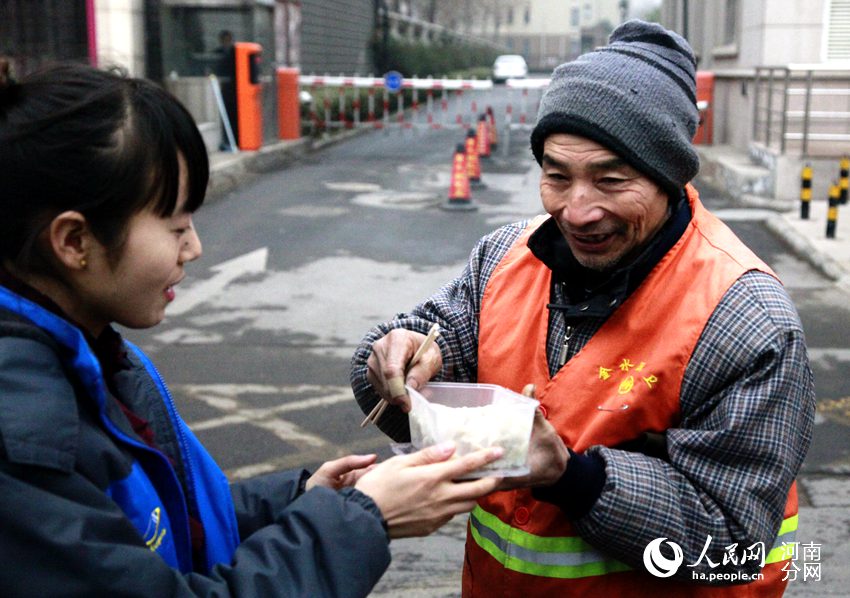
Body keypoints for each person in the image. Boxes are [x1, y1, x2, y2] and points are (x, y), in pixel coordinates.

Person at [0, 63, 504, 597]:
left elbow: (164, 528)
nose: (194, 248)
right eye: (175, 226)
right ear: (74, 241)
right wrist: (363, 519)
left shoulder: (86, 354)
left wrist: (303, 498)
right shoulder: (24, 438)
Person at [351, 20, 815, 597]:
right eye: (556, 176)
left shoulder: (744, 317)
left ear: (668, 176)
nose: (577, 211)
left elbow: (732, 546)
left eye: (611, 179)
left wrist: (576, 478)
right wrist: (395, 361)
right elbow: (432, 350)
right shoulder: (502, 258)